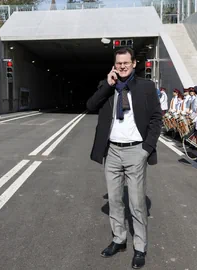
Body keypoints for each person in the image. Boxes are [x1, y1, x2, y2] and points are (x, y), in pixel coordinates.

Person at [86, 47, 162, 269]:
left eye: (126, 63)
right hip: (112, 152)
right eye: (118, 63)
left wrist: (146, 149)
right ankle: (119, 239)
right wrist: (107, 86)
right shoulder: (107, 86)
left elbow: (157, 118)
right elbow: (90, 106)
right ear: (114, 65)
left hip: (135, 151)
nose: (122, 67)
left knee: (137, 203)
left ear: (133, 64)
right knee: (115, 200)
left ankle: (140, 246)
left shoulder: (146, 87)